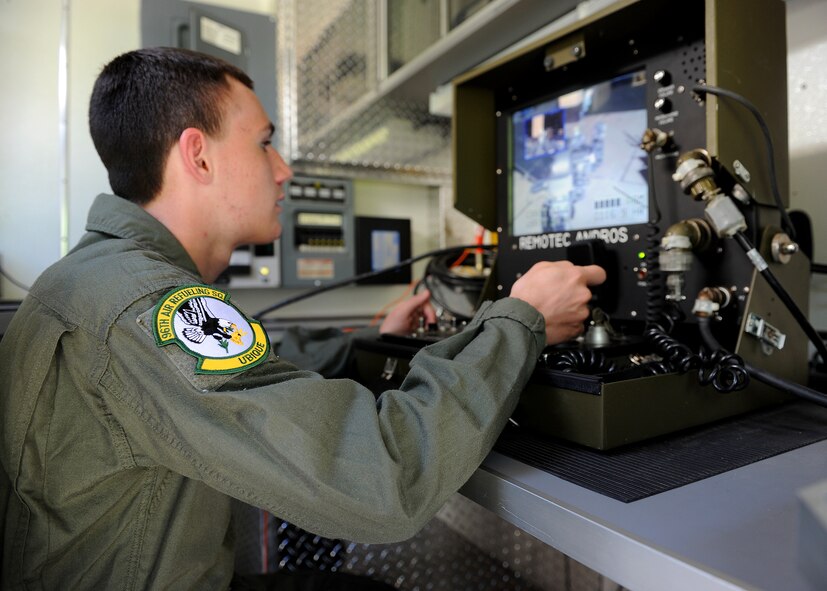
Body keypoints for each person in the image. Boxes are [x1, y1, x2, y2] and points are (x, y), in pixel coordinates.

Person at [0, 47, 606, 590]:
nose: (284, 168)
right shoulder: (147, 306)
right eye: (264, 142)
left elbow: (246, 375)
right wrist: (520, 321)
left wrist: (368, 342)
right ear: (198, 156)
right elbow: (387, 478)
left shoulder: (108, 279)